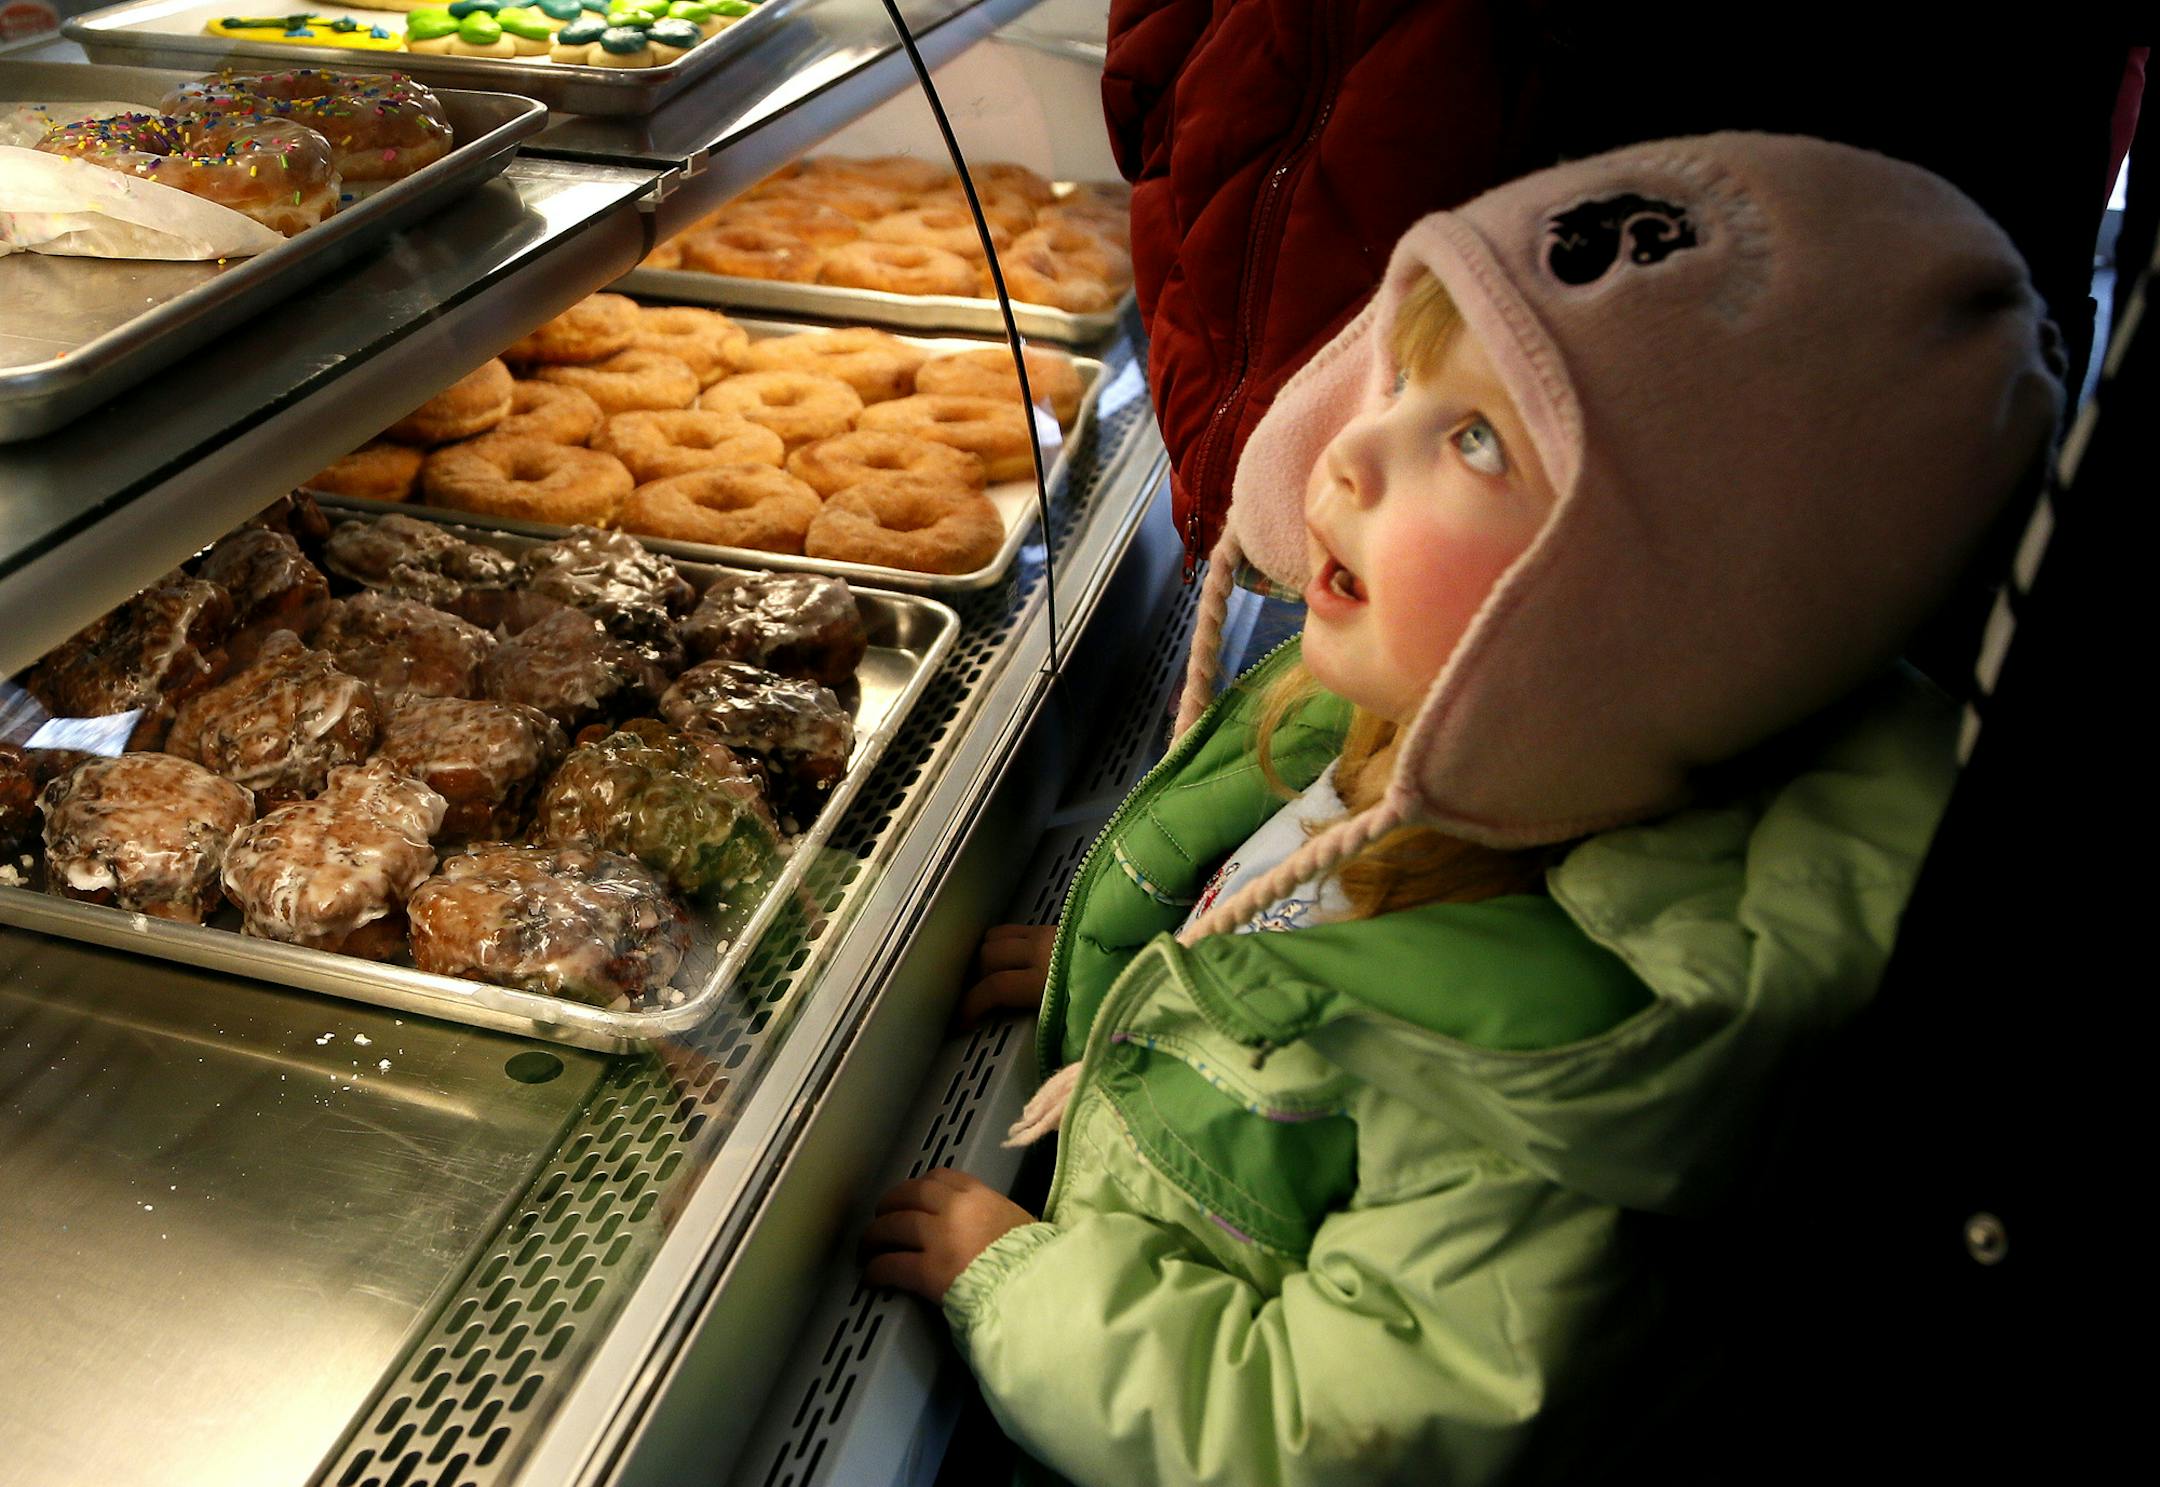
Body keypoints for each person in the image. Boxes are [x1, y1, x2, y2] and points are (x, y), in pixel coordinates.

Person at [862, 134, 2063, 1485]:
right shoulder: (1400, 727)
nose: (1354, 450)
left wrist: (1023, 1287)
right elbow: (1288, 995)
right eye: (1400, 377)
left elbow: (1327, 1435)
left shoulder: (1554, 1079)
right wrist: (1140, 969)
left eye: (1476, 440)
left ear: (1645, 623)